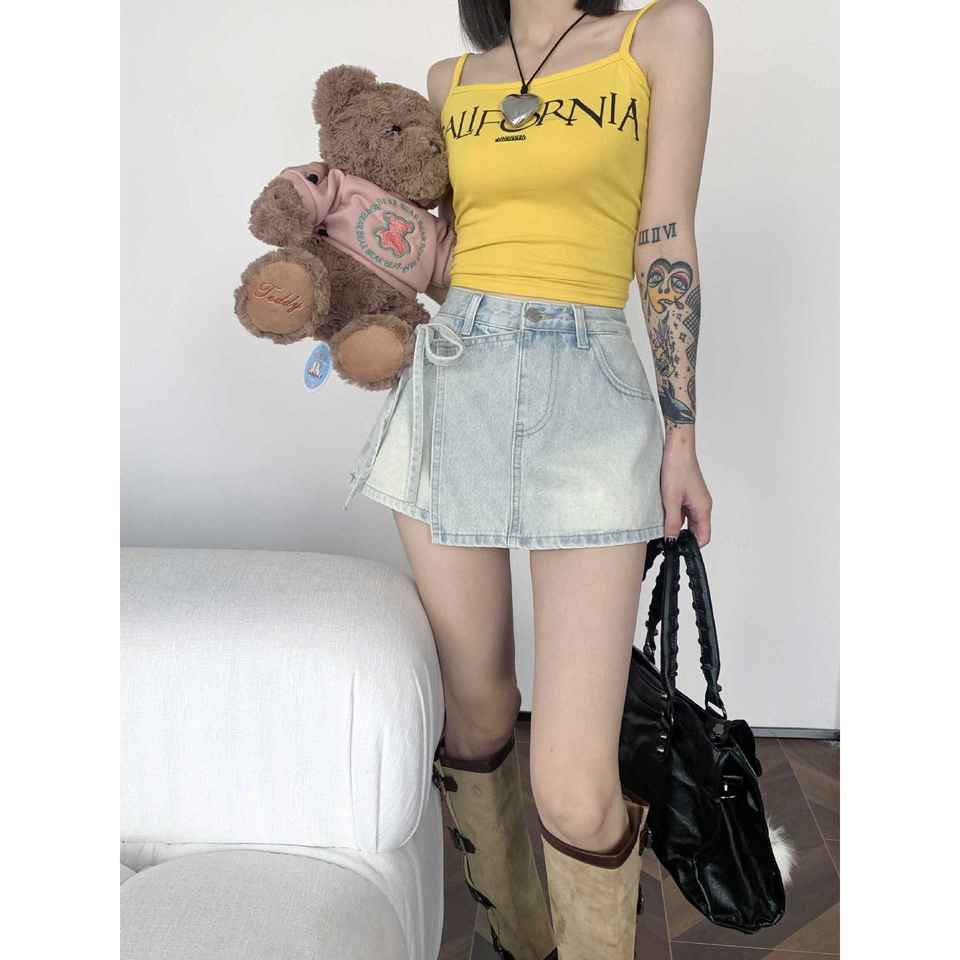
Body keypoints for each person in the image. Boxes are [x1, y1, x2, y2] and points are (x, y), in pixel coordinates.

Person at [343, 1, 713, 956]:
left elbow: (663, 237)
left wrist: (680, 433)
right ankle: (519, 942)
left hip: (589, 394)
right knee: (475, 718)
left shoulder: (661, 33)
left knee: (576, 790)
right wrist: (344, 229)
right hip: (454, 383)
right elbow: (451, 258)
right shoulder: (449, 82)